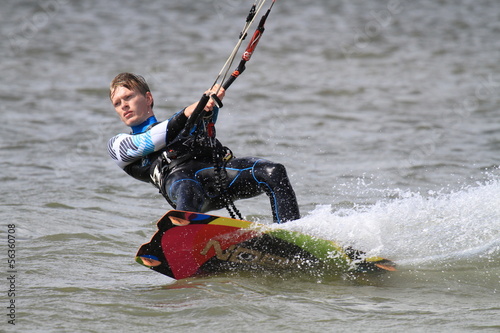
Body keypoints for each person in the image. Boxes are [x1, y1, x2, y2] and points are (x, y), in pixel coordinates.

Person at [107, 72, 300, 223]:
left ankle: (290, 237)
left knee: (274, 171)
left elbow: (201, 122)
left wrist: (210, 104)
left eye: (128, 97)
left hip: (217, 177)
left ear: (148, 98)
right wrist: (190, 111)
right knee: (187, 187)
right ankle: (183, 244)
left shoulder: (180, 123)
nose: (123, 105)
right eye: (117, 103)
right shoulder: (118, 145)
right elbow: (152, 139)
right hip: (183, 187)